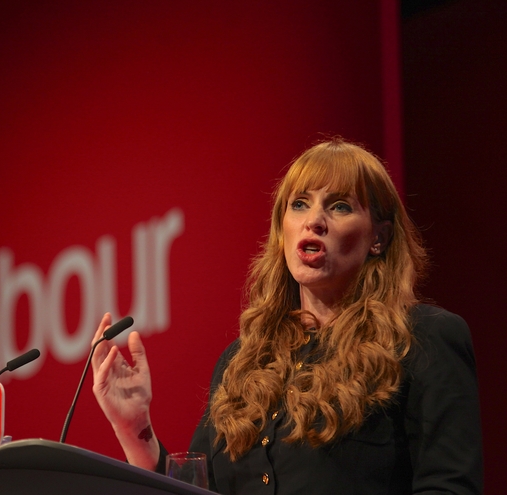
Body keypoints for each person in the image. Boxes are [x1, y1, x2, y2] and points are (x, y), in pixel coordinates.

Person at [90, 138, 483, 494]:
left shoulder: (424, 339)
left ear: (378, 237)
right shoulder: (241, 362)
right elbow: (195, 491)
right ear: (282, 231)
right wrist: (134, 427)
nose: (314, 220)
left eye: (340, 206)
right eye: (299, 204)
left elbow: (449, 488)